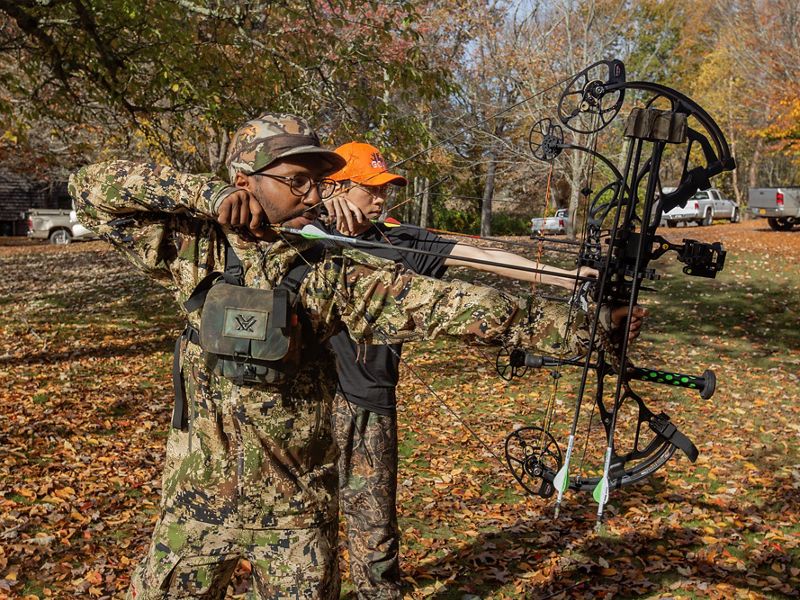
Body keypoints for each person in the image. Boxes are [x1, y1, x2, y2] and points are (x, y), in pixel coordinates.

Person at [68, 113, 643, 600]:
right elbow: (91, 188)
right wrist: (208, 197)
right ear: (245, 180)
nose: (313, 195)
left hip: (294, 523)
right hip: (194, 509)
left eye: (318, 183)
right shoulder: (192, 248)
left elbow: (451, 306)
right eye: (296, 181)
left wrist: (591, 329)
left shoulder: (331, 270)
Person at [320, 141, 599, 599]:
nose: (381, 199)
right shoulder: (298, 229)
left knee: (374, 530)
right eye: (370, 189)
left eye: (385, 189)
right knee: (308, 527)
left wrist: (567, 279)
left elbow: (483, 256)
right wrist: (315, 210)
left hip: (368, 402)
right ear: (336, 186)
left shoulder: (400, 240)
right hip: (306, 402)